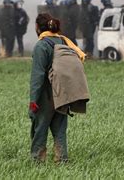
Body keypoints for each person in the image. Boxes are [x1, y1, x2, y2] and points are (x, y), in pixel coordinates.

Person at [29, 13, 86, 163]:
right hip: (63, 93)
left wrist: (33, 101)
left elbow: (38, 76)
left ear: (37, 28)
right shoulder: (64, 41)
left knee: (40, 128)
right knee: (60, 129)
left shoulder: (41, 45)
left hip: (46, 94)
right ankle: (61, 159)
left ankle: (38, 160)